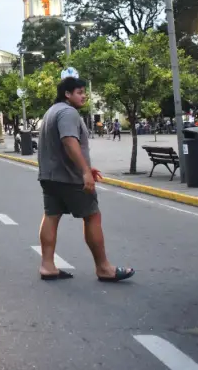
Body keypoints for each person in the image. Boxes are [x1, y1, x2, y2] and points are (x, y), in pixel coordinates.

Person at [37, 77, 134, 283]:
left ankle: (47, 265)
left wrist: (87, 168)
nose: (84, 96)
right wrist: (84, 172)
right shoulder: (68, 113)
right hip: (70, 179)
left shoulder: (50, 112)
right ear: (67, 94)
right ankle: (104, 268)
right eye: (79, 92)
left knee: (51, 216)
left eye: (84, 92)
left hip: (49, 176)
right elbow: (69, 142)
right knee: (92, 216)